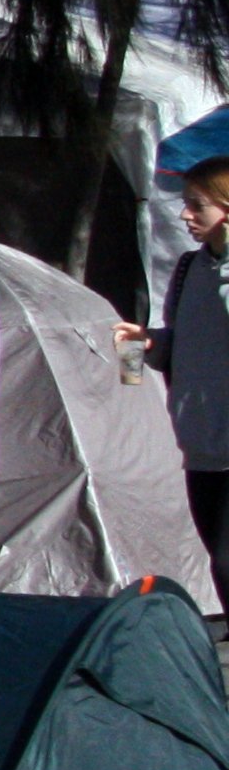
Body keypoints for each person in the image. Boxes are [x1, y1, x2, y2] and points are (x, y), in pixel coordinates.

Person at [120, 157, 229, 584]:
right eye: (185, 204)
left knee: (226, 559)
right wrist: (150, 343)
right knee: (216, 559)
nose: (185, 215)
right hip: (200, 444)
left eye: (198, 206)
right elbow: (188, 343)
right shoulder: (188, 268)